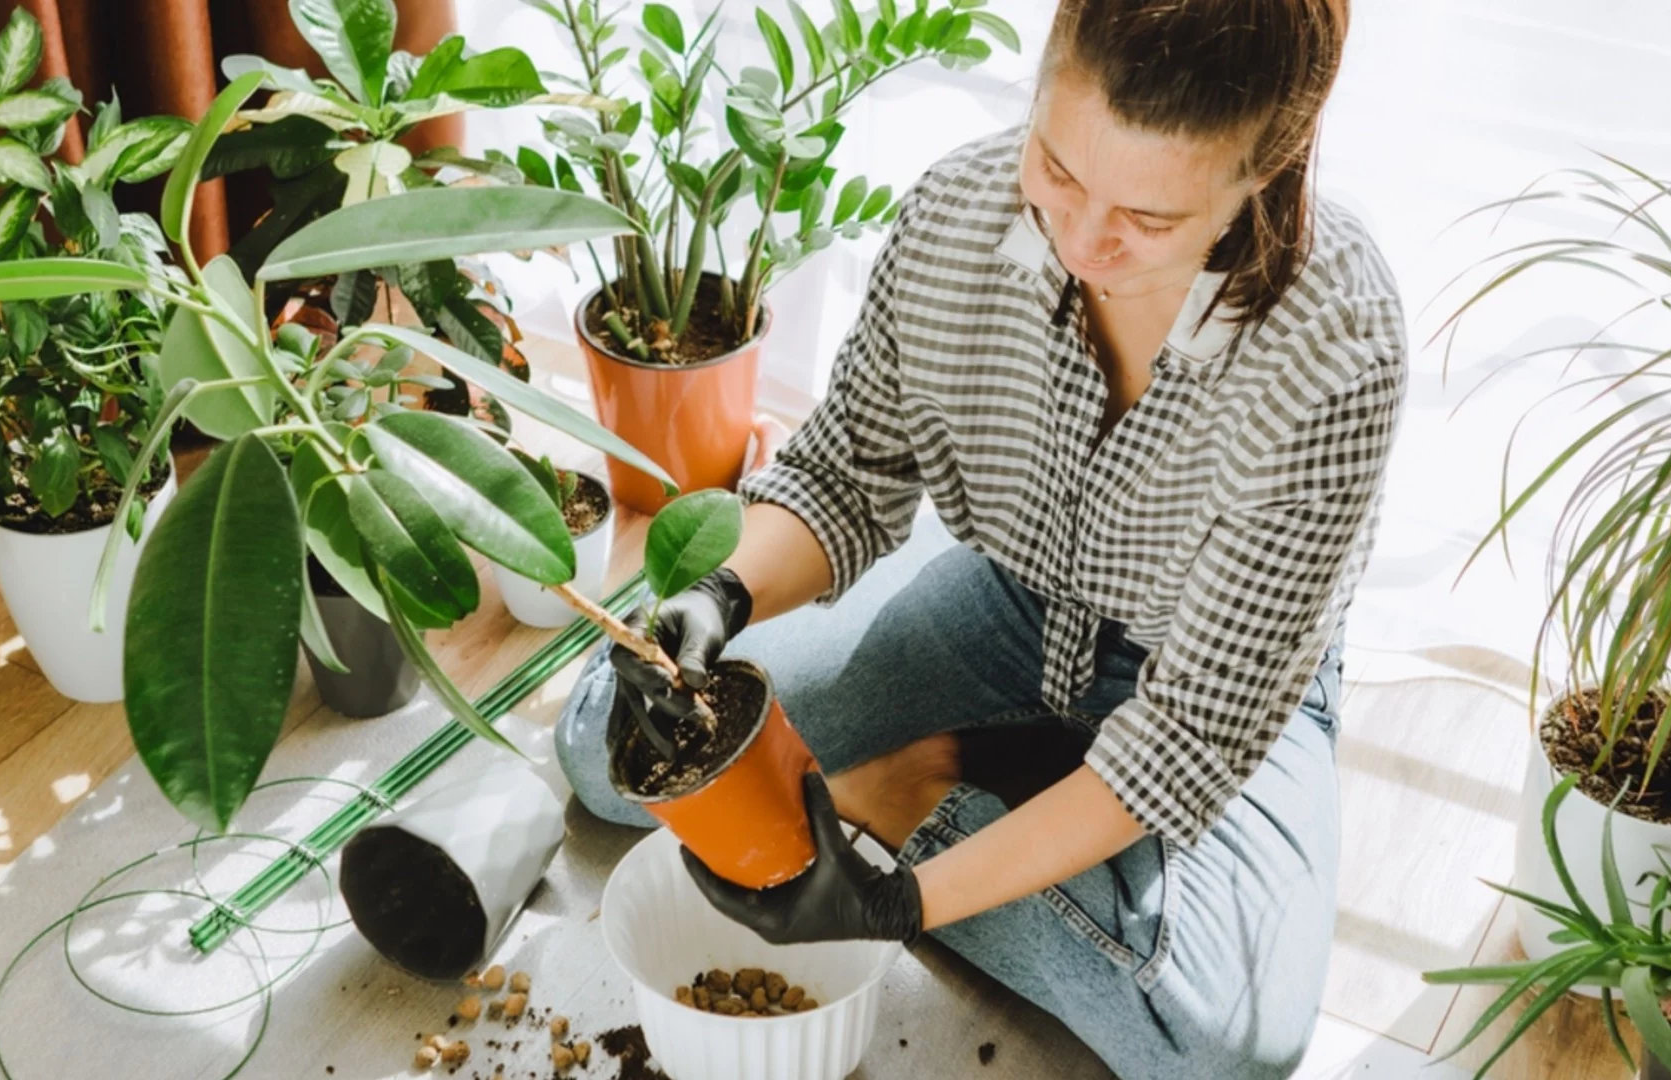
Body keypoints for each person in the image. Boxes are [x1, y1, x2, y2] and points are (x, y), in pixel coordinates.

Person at [554, 0, 1404, 1075]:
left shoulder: (1338, 349)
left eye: (1148, 218)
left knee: (1225, 1051)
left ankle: (912, 788)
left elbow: (1184, 744)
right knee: (610, 744)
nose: (1081, 240)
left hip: (1212, 682)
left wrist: (901, 895)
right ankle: (962, 766)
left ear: (1266, 169)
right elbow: (847, 470)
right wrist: (722, 598)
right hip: (1007, 599)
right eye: (1057, 163)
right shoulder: (958, 208)